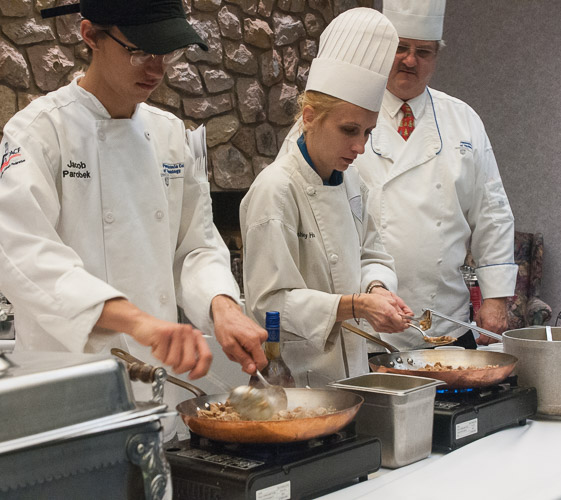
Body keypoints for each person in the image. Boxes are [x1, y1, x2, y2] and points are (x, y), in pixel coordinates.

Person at [0, 0, 267, 435]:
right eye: (141, 51)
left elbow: (195, 245)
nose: (157, 69)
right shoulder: (38, 132)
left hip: (160, 386)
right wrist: (140, 322)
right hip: (71, 390)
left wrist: (222, 304)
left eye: (168, 52)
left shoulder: (168, 135)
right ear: (90, 36)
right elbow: (23, 255)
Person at [279, 0, 517, 349]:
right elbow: (287, 195)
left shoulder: (464, 120)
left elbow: (492, 213)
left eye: (424, 51)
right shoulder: (330, 118)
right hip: (359, 330)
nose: (410, 60)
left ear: (436, 56)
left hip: (444, 325)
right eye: (401, 48)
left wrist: (496, 297)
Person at [240, 7, 413, 385]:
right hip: (297, 380)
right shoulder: (276, 190)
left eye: (367, 132)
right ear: (309, 116)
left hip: (352, 370)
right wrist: (354, 306)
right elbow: (269, 306)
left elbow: (372, 253)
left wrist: (377, 289)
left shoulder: (351, 182)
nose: (359, 147)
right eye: (349, 129)